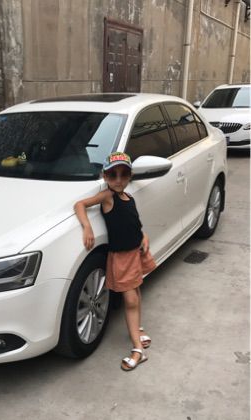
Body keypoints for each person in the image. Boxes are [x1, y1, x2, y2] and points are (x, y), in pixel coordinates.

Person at [74, 152, 156, 371]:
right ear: (105, 176)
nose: (118, 180)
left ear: (130, 176)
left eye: (124, 174)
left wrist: (143, 236)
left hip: (136, 253)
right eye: (113, 175)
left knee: (136, 292)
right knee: (130, 299)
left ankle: (137, 330)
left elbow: (134, 223)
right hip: (121, 258)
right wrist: (87, 227)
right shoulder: (107, 196)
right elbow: (80, 205)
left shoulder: (129, 198)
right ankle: (138, 348)